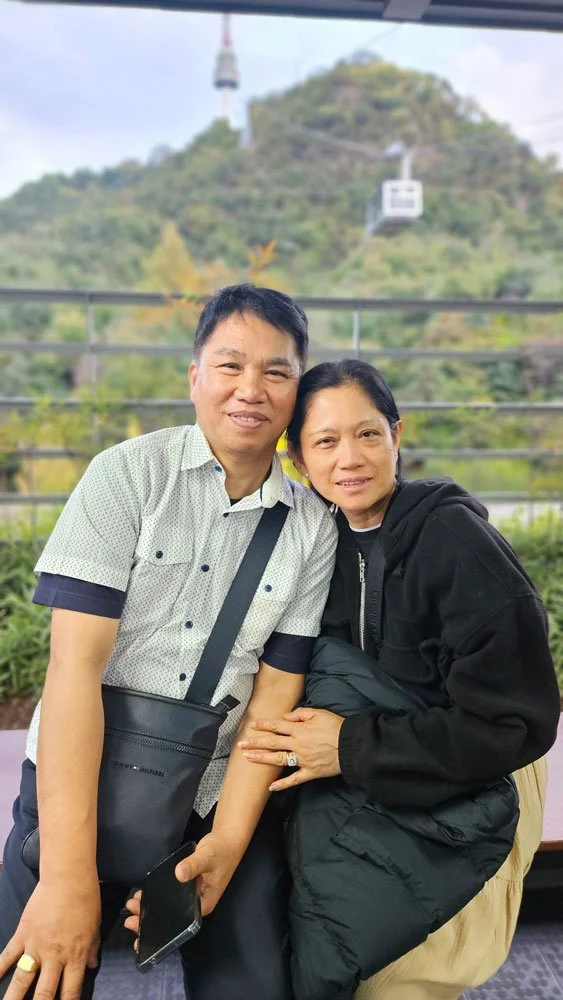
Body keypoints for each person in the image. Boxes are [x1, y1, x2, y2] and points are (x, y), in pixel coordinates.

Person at [0, 285, 338, 1000]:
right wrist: (64, 880)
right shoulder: (125, 477)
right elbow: (72, 674)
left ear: (296, 389)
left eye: (275, 372)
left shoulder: (313, 525)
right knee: (29, 980)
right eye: (229, 366)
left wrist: (226, 845)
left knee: (256, 987)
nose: (250, 390)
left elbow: (271, 703)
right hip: (76, 776)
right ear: (194, 376)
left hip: (212, 796)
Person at [239, 359, 560, 1000]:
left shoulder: (456, 542)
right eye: (326, 442)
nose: (350, 458)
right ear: (299, 459)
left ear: (396, 435)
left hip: (474, 780)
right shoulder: (317, 543)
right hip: (368, 777)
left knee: (401, 979)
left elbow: (515, 723)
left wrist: (349, 745)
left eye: (367, 434)